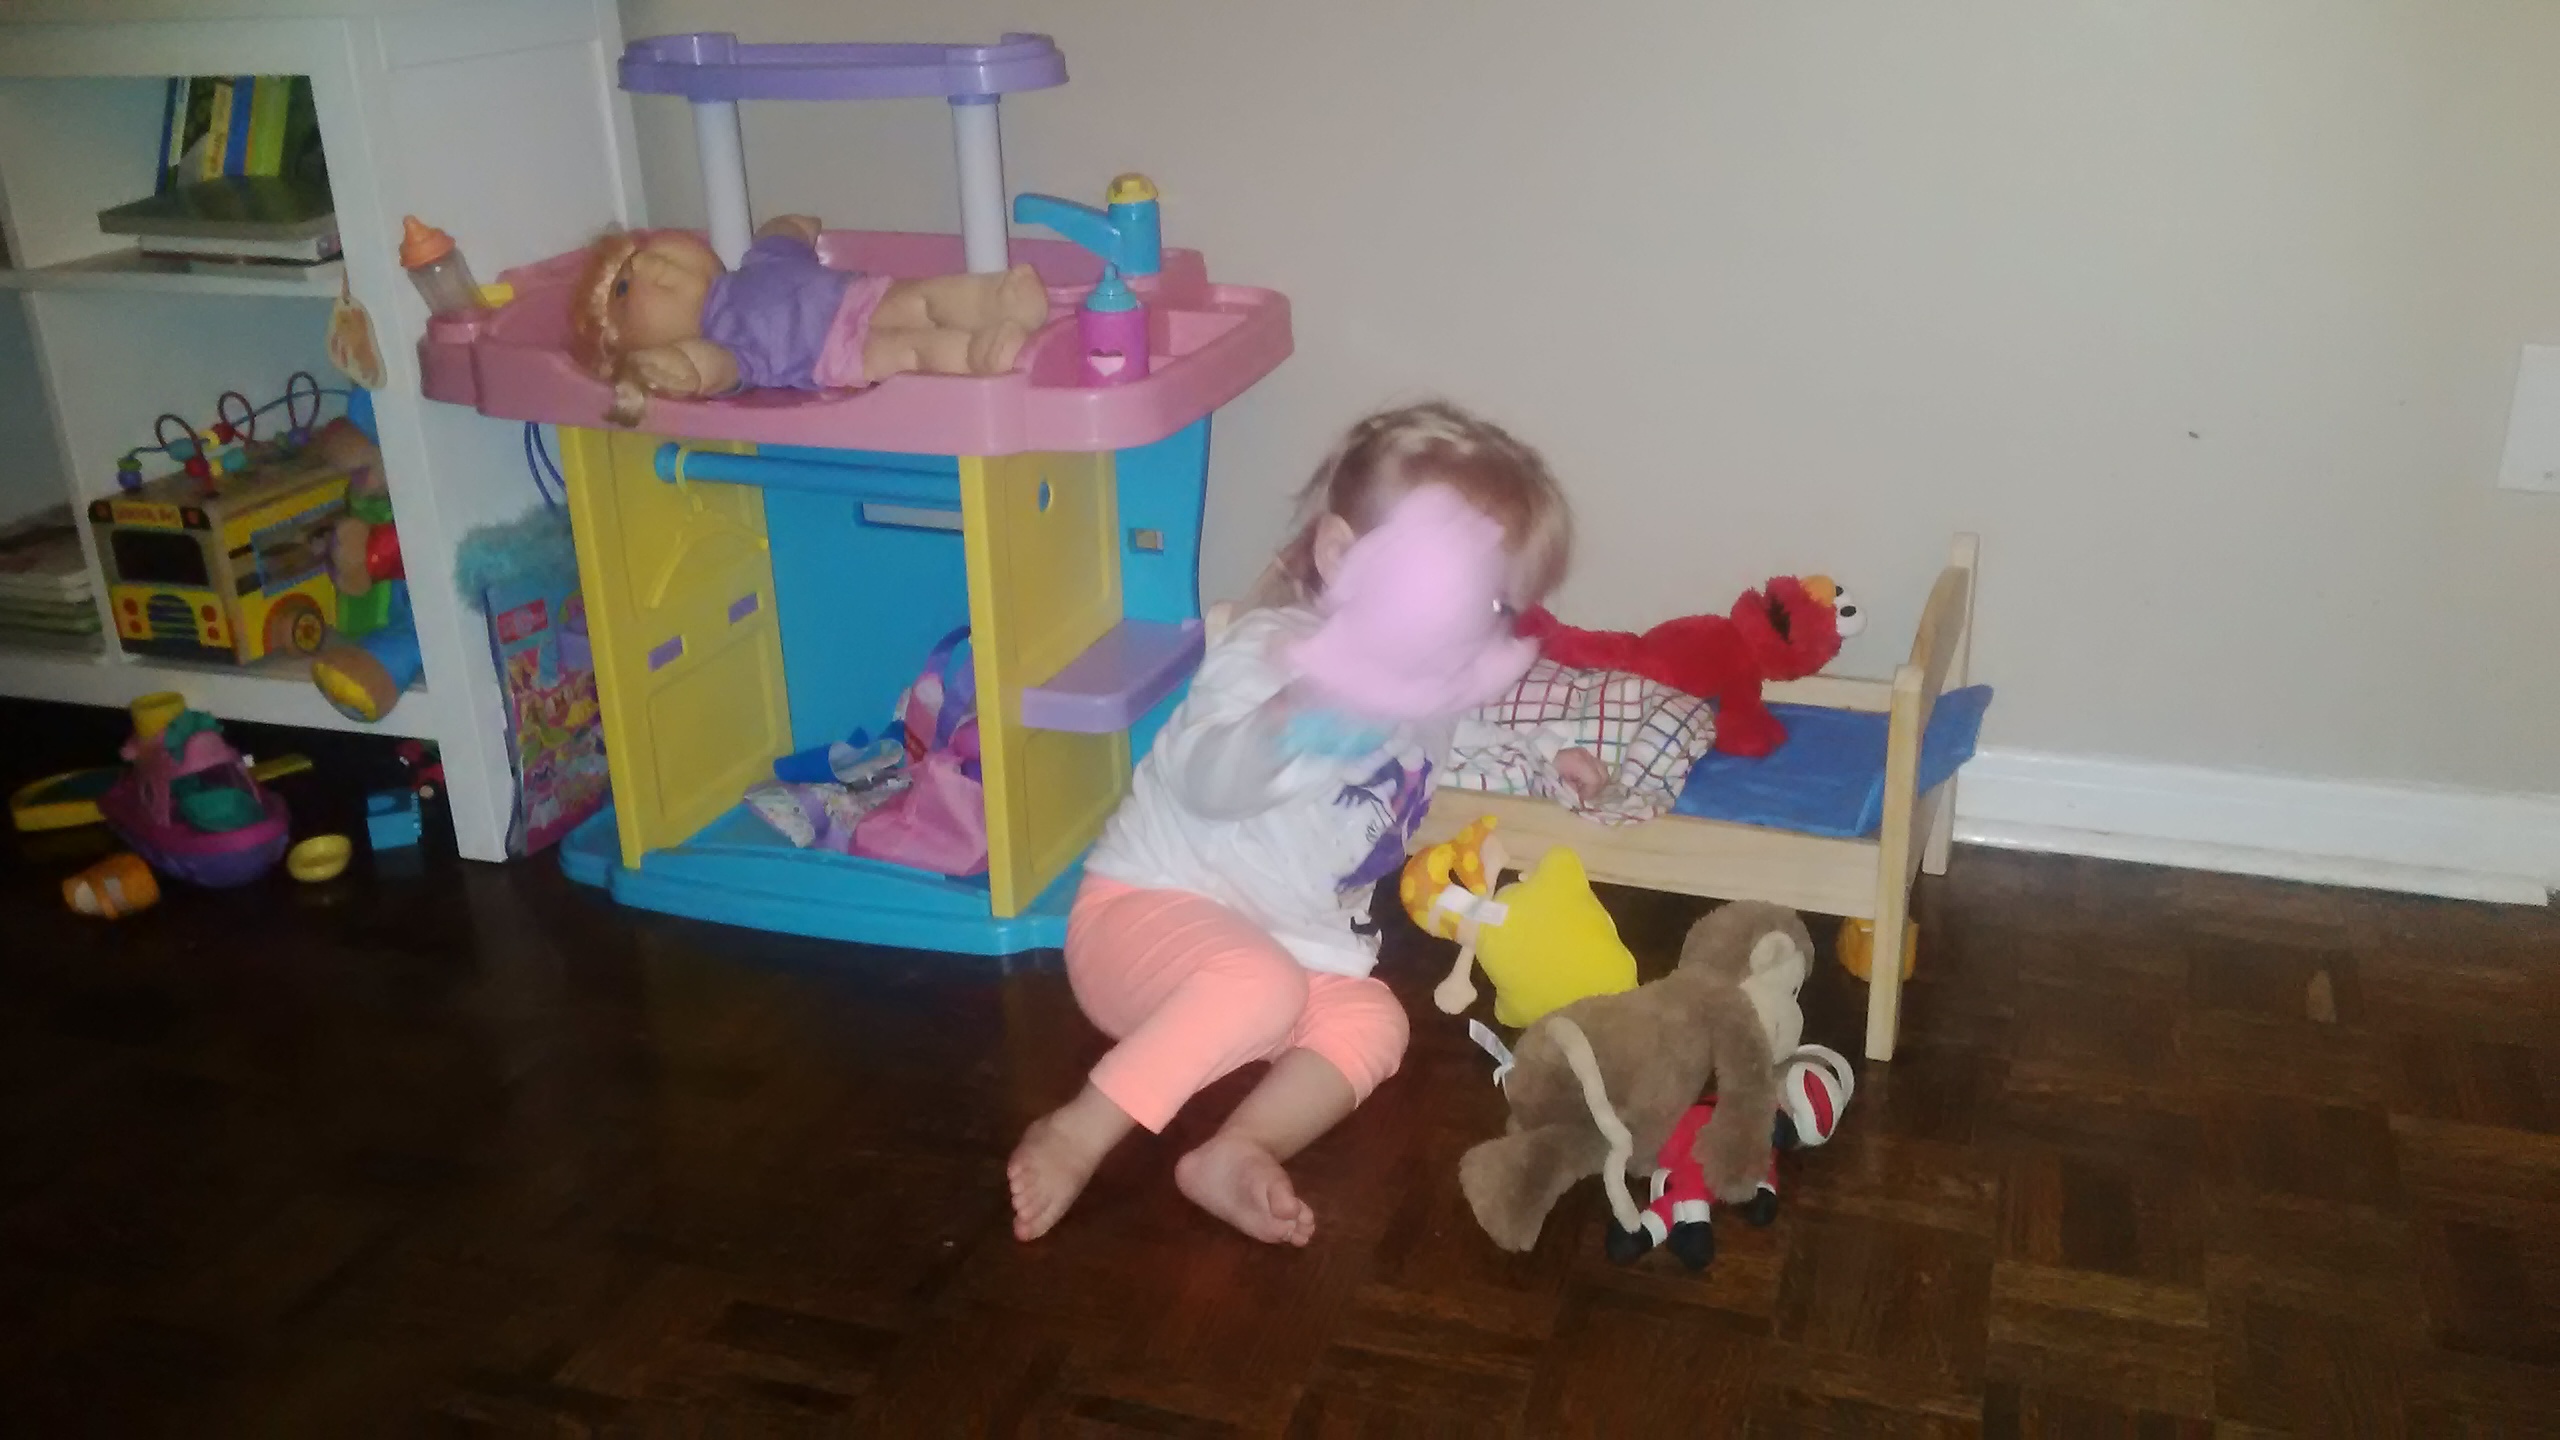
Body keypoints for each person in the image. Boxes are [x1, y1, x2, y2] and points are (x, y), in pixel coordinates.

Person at [1007, 401, 1573, 1245]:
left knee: (1374, 1021)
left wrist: (1551, 758)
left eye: (1489, 605)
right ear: (1342, 556)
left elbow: (1469, 736)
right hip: (1141, 923)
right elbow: (1208, 781)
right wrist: (1304, 710)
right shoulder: (1271, 654)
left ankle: (1239, 1149)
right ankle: (1080, 1129)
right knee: (1260, 986)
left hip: (1282, 954)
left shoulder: (1428, 690)